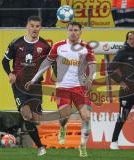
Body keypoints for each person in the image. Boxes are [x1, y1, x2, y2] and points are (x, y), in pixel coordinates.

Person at [25, 21, 96, 157]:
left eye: (76, 30)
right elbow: (46, 63)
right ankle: (63, 127)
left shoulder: (86, 47)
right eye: (70, 30)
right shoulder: (59, 46)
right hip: (63, 87)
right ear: (67, 31)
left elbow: (93, 65)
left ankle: (82, 145)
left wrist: (91, 78)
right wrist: (34, 79)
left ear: (80, 32)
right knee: (64, 116)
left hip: (80, 87)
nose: (73, 32)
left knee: (86, 116)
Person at [2, 16, 51, 156]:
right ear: (27, 26)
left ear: (40, 28)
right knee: (26, 114)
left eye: (37, 26)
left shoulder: (45, 46)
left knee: (35, 119)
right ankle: (41, 147)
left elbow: (51, 62)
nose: (34, 29)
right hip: (19, 85)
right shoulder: (16, 44)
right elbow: (4, 62)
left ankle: (37, 118)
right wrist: (10, 73)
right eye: (32, 25)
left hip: (35, 85)